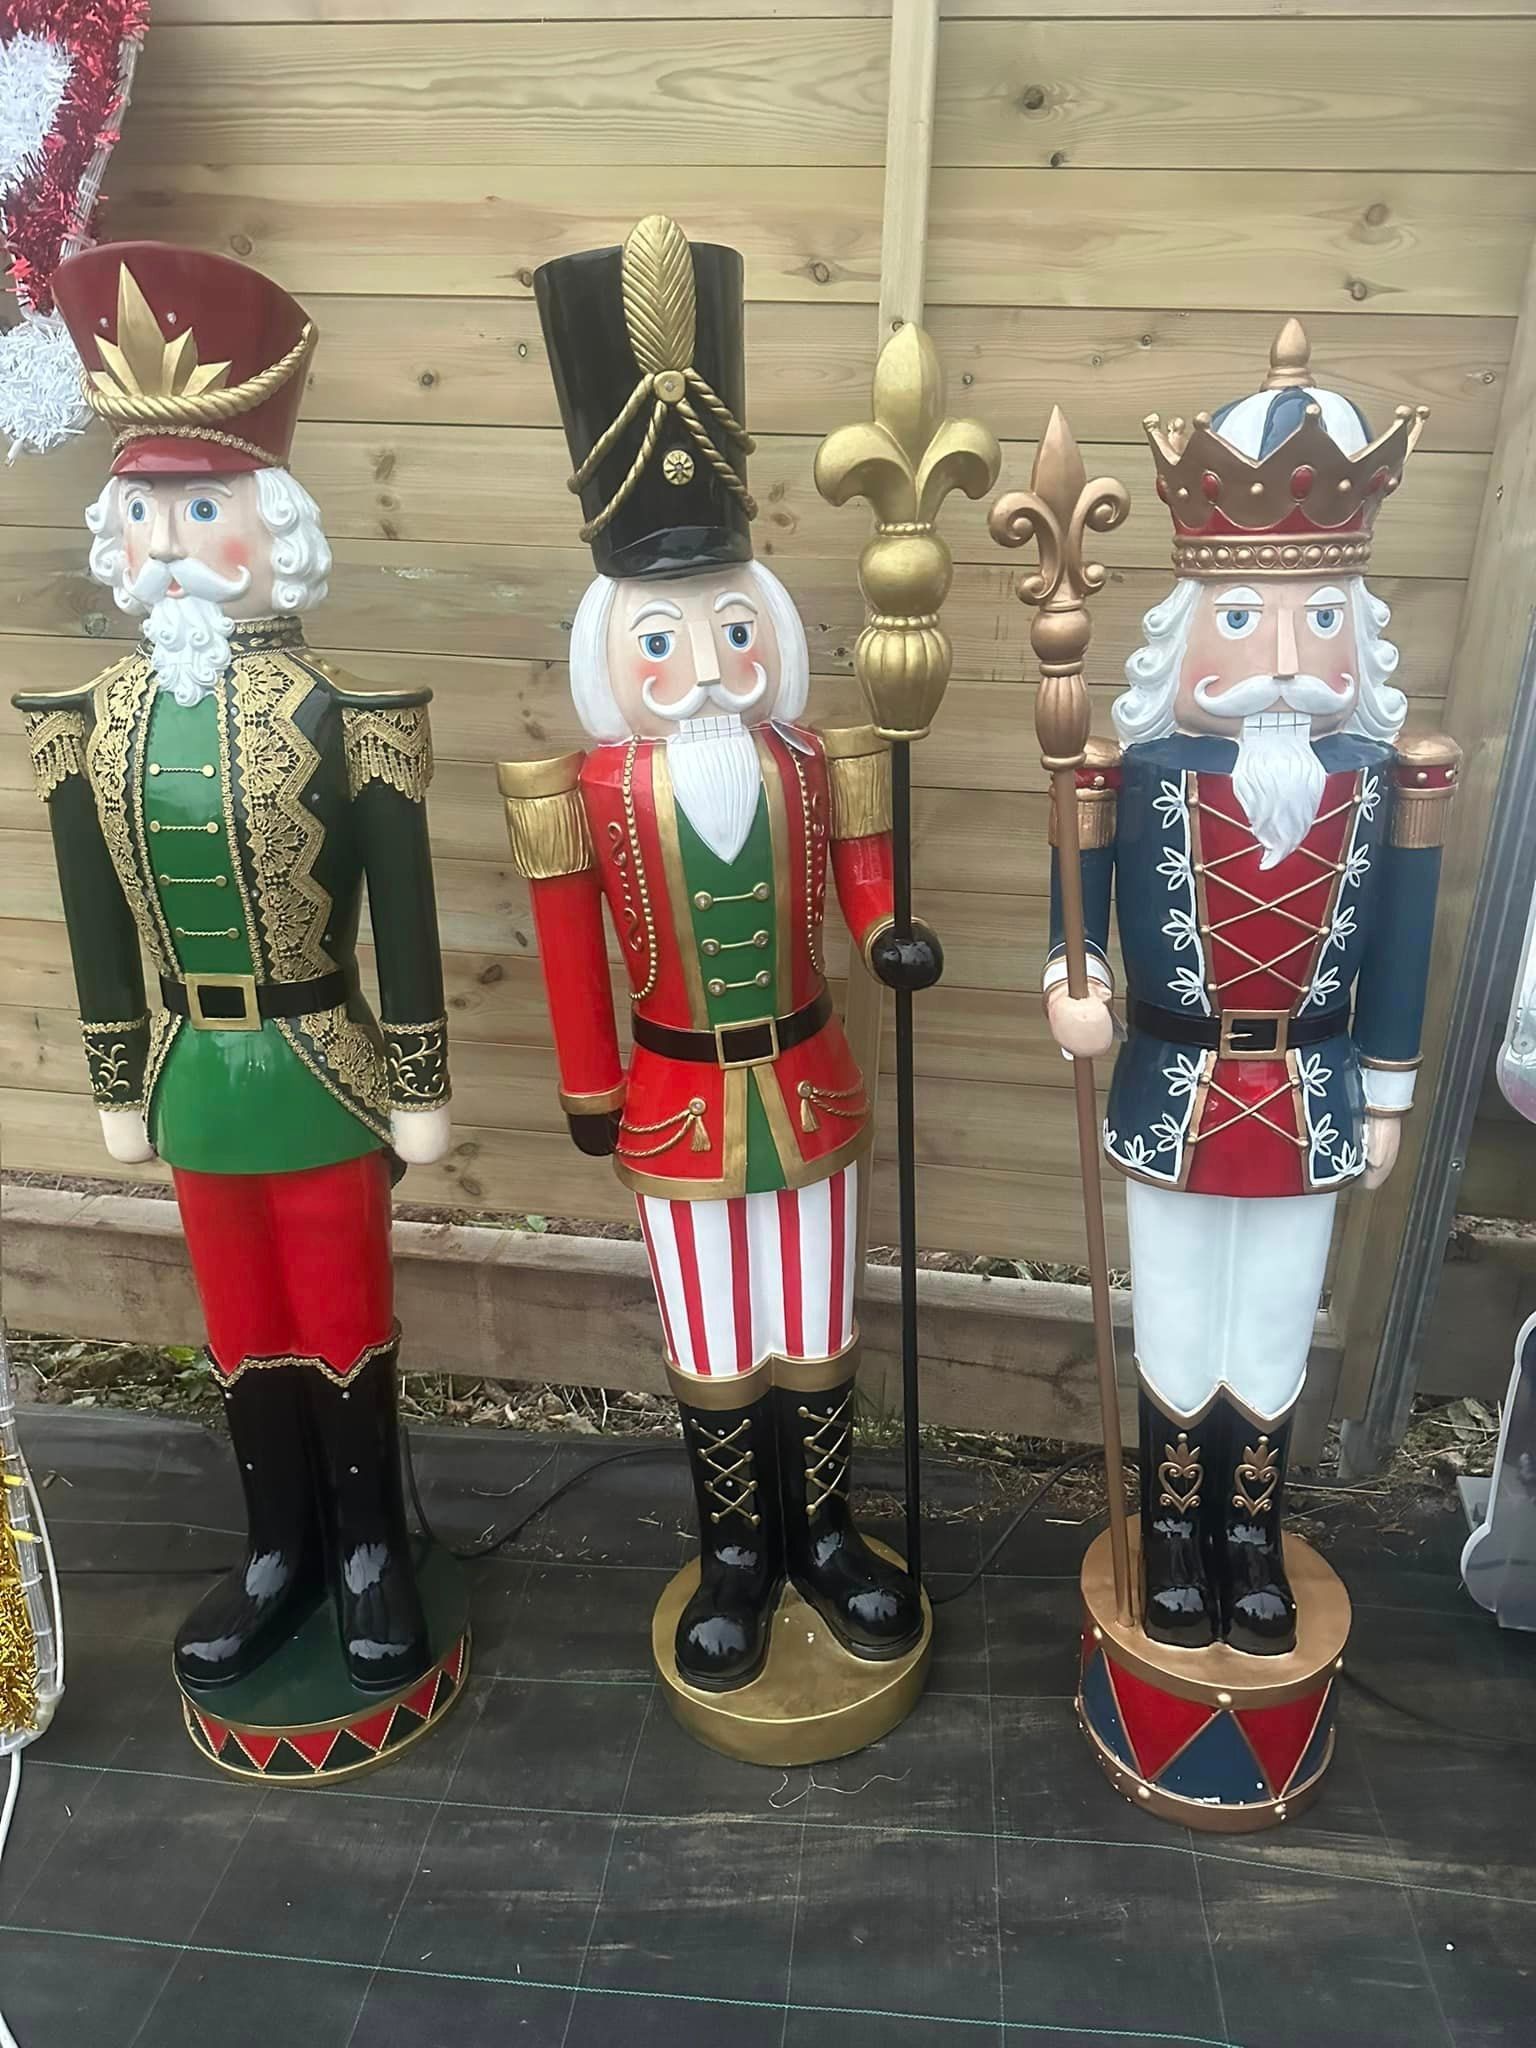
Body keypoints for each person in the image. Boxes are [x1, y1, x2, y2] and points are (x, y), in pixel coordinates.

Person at [500, 214, 939, 1691]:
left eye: (730, 633)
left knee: (816, 1318)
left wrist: (888, 932)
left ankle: (827, 1533)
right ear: (612, 649)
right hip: (676, 1100)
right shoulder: (594, 794)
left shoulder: (813, 762)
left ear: (770, 627)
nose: (707, 669)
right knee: (713, 1332)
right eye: (667, 642)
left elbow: (862, 879)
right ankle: (737, 1550)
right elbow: (570, 937)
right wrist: (581, 1080)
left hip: (806, 1084)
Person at [14, 243, 452, 1696]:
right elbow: (91, 908)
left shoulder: (343, 713)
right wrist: (119, 1077)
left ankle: (373, 1545)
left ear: (274, 525)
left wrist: (425, 1079)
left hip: (323, 1062)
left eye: (202, 507)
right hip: (199, 1073)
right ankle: (278, 1545)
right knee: (238, 1318)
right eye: (145, 509)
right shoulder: (91, 717)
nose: (170, 539)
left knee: (340, 1307)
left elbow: (400, 902)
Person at [1045, 320, 1457, 1654]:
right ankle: (1173, 1532)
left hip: (1313, 1086)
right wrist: (1077, 978)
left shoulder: (1385, 784)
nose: (1283, 652)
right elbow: (1082, 907)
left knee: (1275, 1320)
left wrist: (1386, 1085)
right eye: (1245, 616)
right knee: (1174, 1313)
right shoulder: (1143, 770)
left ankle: (1250, 1531)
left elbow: (1400, 943)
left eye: (1315, 619)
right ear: (1189, 633)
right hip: (1174, 1081)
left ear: (1356, 632)